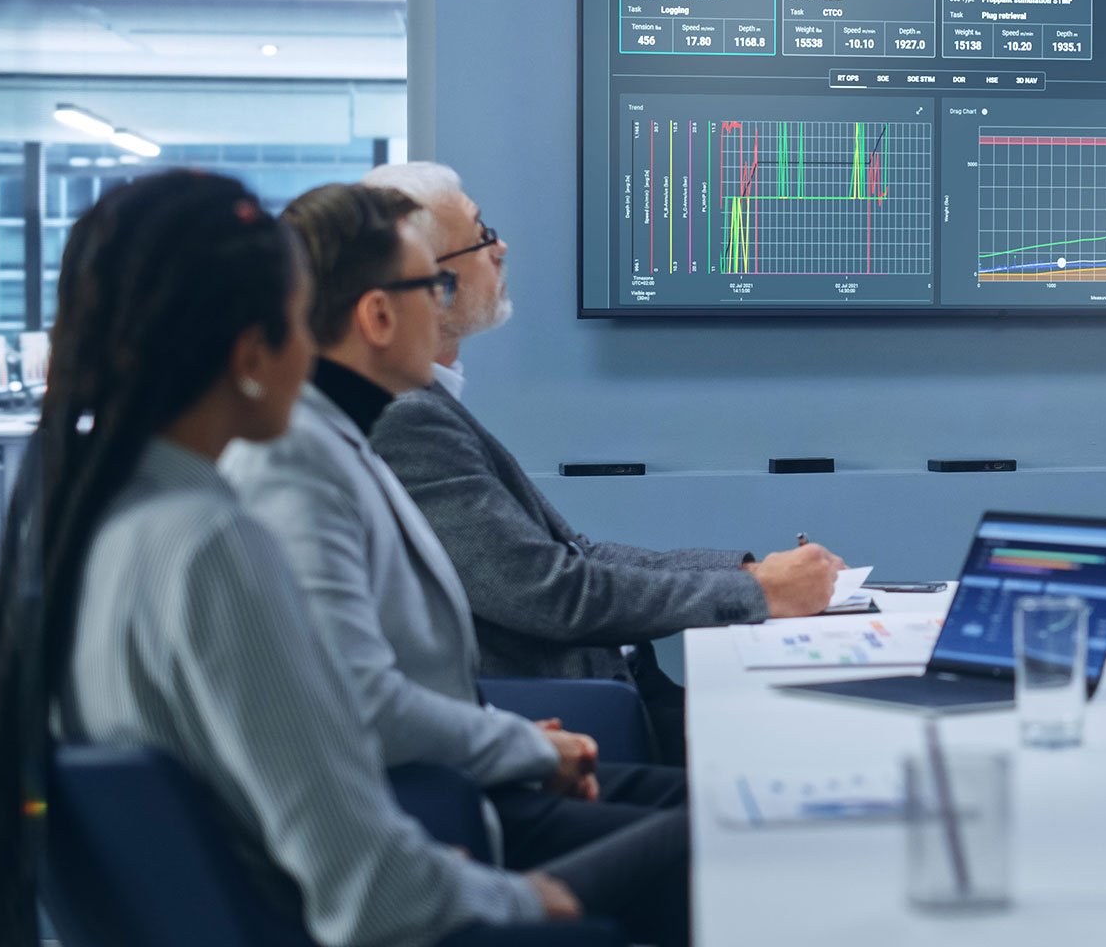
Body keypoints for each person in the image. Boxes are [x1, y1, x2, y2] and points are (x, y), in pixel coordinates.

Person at [0, 171, 674, 946]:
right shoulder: (212, 545)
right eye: (299, 323)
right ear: (252, 351)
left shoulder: (94, 523)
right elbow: (373, 891)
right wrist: (533, 899)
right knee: (736, 840)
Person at [220, 184, 689, 943]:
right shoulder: (302, 466)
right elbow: (363, 698)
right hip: (440, 820)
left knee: (725, 817)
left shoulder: (343, 441)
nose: (444, 307)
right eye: (432, 287)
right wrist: (522, 746)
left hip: (461, 786)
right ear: (378, 316)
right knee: (730, 837)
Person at [360, 162, 842, 760]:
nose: (501, 248)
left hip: (612, 692)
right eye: (482, 236)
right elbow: (550, 591)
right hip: (577, 718)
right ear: (429, 283)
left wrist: (749, 573)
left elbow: (576, 554)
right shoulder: (407, 416)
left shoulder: (431, 404)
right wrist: (756, 591)